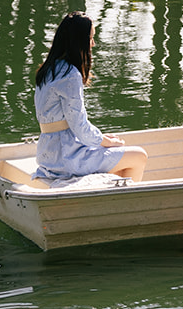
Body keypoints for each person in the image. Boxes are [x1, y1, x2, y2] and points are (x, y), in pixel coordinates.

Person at [34, 12, 147, 183]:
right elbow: (79, 125)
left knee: (114, 152)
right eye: (91, 38)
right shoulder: (69, 75)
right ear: (78, 41)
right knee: (139, 156)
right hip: (67, 158)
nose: (93, 44)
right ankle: (128, 204)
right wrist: (104, 141)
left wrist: (103, 139)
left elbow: (70, 125)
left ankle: (114, 200)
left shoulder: (49, 69)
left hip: (49, 153)